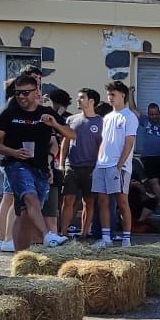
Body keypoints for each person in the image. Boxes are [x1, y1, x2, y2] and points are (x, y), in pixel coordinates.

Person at [0, 75, 68, 253]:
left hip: (40, 168)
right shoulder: (9, 113)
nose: (21, 97)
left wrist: (55, 124)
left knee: (24, 214)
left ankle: (20, 256)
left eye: (25, 93)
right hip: (15, 165)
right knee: (29, 197)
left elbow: (72, 135)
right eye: (18, 93)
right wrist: (13, 152)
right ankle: (48, 235)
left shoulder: (45, 113)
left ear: (36, 92)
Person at [92, 83, 139, 247]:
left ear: (123, 95)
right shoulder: (107, 117)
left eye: (113, 94)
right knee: (102, 201)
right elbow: (104, 142)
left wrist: (119, 166)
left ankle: (126, 238)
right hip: (102, 164)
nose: (109, 97)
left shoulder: (130, 117)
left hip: (119, 166)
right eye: (108, 94)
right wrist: (99, 162)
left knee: (122, 202)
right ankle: (106, 238)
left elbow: (129, 142)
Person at [60, 92, 103, 238]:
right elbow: (65, 141)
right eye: (78, 97)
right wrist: (61, 163)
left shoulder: (101, 122)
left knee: (88, 201)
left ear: (91, 101)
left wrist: (98, 167)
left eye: (82, 97)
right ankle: (63, 233)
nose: (78, 100)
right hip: (71, 165)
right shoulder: (71, 119)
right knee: (68, 199)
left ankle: (84, 233)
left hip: (91, 167)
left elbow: (102, 147)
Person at [135, 101, 160, 221]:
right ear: (148, 114)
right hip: (149, 157)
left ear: (159, 113)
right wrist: (130, 94)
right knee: (153, 182)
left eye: (156, 114)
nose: (154, 117)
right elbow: (133, 109)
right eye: (152, 114)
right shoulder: (145, 121)